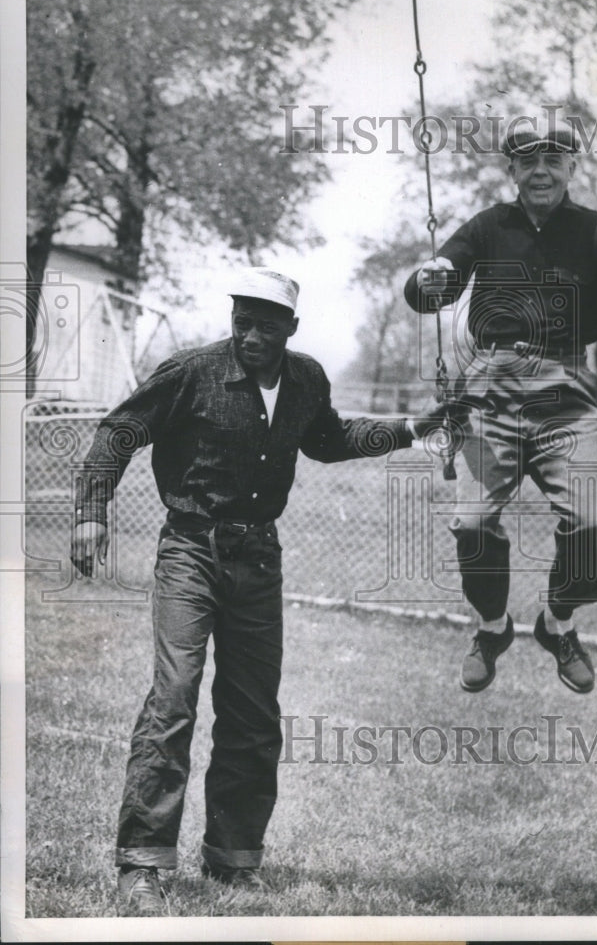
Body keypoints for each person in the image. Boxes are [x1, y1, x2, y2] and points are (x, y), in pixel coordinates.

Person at [70, 269, 414, 916]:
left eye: (266, 323)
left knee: (253, 715)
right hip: (190, 552)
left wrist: (410, 430)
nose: (252, 334)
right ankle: (142, 865)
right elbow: (118, 432)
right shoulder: (192, 373)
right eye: (243, 319)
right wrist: (92, 510)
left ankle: (233, 860)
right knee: (172, 701)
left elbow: (330, 439)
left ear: (292, 328)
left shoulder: (307, 378)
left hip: (259, 561)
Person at [404, 123, 597, 696]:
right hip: (489, 390)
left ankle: (559, 624)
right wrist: (429, 279)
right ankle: (492, 629)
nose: (540, 170)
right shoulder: (487, 225)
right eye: (527, 161)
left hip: (569, 393)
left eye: (553, 159)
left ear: (572, 166)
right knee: (471, 523)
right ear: (512, 170)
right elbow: (431, 291)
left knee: (591, 524)